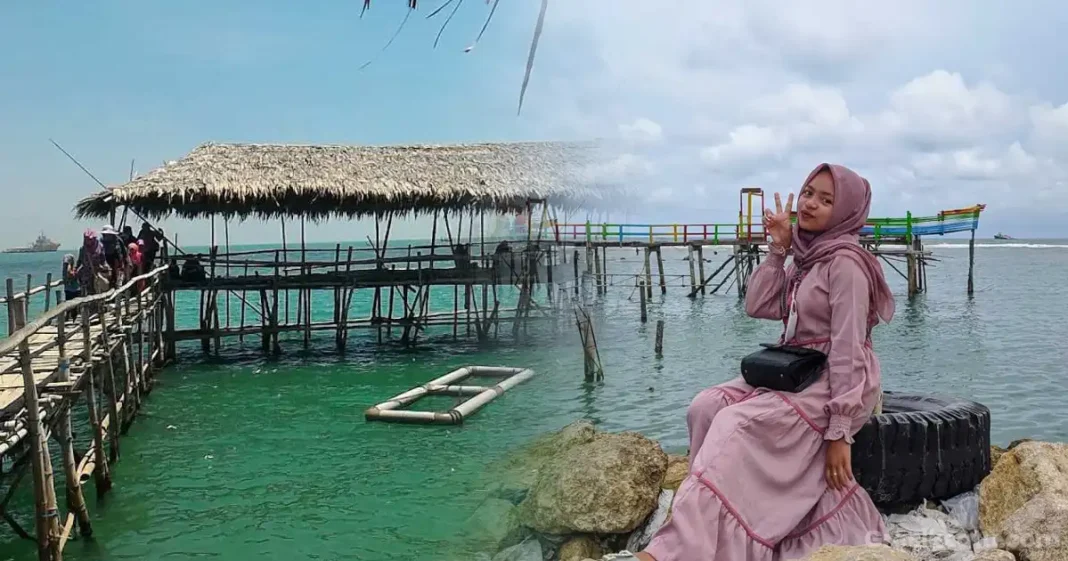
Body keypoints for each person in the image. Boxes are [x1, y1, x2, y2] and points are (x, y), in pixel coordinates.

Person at [610, 164, 896, 561]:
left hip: (838, 378)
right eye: (809, 192)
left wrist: (839, 431)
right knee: (706, 407)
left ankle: (675, 551)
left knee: (734, 424)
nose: (810, 204)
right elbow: (758, 305)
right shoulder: (806, 256)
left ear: (845, 210)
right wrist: (778, 250)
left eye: (827, 200)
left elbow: (848, 347)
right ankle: (712, 530)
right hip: (795, 367)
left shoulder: (844, 263)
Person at [62, 254, 80, 321]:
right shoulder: (69, 266)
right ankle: (71, 318)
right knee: (72, 305)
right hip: (72, 289)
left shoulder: (67, 266)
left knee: (70, 305)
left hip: (72, 289)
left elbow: (69, 273)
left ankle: (70, 318)